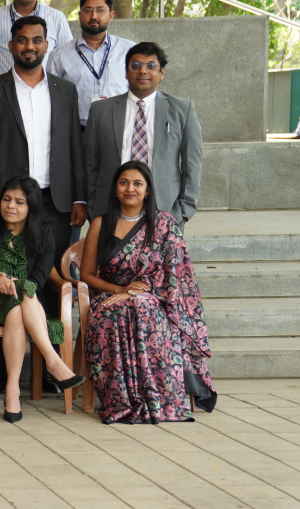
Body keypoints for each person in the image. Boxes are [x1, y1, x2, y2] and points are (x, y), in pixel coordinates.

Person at [81, 161, 216, 424]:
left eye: (137, 183)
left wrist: (135, 293)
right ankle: (124, 398)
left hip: (153, 298)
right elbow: (86, 275)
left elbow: (177, 274)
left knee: (141, 304)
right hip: (109, 297)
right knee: (123, 308)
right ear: (115, 189)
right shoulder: (100, 224)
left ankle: (156, 396)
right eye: (123, 183)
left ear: (148, 190)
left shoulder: (163, 223)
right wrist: (121, 290)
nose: (130, 188)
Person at [0, 176, 84, 423]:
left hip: (23, 303)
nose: (10, 206)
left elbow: (38, 280)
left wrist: (14, 283)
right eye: (7, 199)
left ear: (31, 207)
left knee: (20, 302)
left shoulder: (43, 234)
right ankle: (53, 361)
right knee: (23, 296)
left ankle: (12, 390)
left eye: (19, 202)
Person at [0, 15, 87, 251]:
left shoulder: (66, 91)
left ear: (46, 45)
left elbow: (75, 148)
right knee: (5, 270)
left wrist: (79, 198)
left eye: (36, 40)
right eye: (22, 40)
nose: (30, 46)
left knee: (53, 271)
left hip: (55, 203)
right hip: (5, 203)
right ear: (11, 46)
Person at [85, 42, 202, 229]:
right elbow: (90, 163)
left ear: (161, 73)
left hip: (165, 210)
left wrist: (184, 211)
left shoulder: (182, 110)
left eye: (151, 65)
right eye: (136, 65)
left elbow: (192, 163)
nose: (143, 71)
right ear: (126, 72)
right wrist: (92, 207)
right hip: (111, 209)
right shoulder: (101, 111)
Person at [44, 0, 135, 125]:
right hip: (78, 131)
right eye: (88, 10)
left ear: (111, 16)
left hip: (119, 129)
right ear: (80, 15)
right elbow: (51, 98)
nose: (94, 16)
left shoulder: (129, 50)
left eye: (100, 10)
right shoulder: (59, 55)